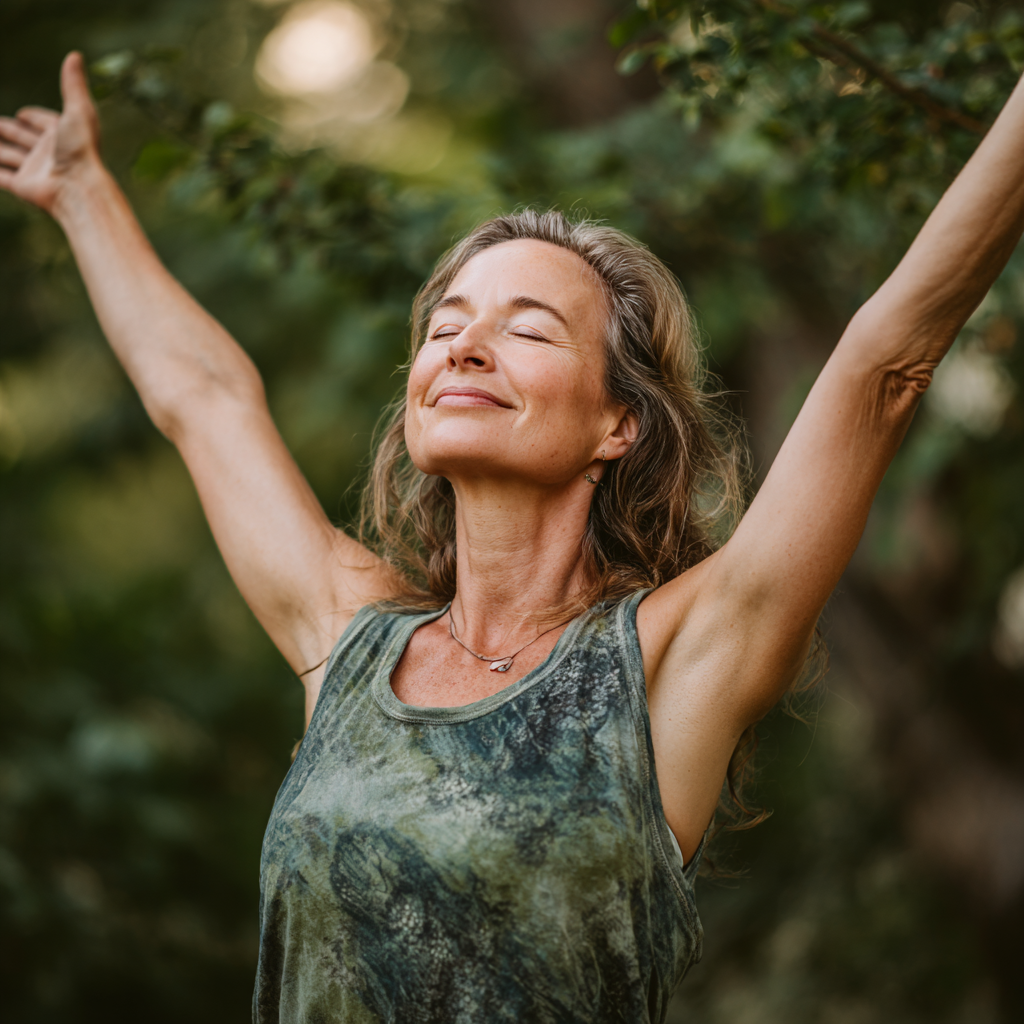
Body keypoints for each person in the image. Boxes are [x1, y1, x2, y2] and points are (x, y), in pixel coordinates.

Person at [3, 50, 1023, 1024]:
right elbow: (205, 398)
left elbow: (883, 365)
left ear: (616, 425)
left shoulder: (670, 662)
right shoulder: (347, 641)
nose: (466, 347)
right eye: (446, 325)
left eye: (529, 328)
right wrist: (85, 196)